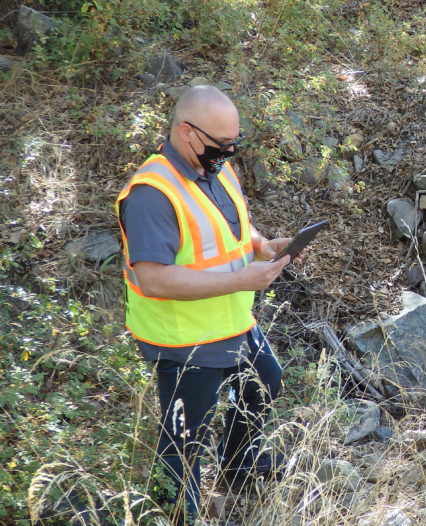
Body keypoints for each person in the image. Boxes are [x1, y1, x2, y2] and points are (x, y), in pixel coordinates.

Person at [114, 85, 294, 524]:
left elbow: (232, 227)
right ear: (187, 132)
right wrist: (239, 278)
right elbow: (154, 278)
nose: (229, 151)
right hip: (183, 338)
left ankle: (238, 469)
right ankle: (176, 513)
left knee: (265, 380)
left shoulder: (215, 167)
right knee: (184, 438)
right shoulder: (150, 195)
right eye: (221, 144)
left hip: (232, 320)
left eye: (235, 142)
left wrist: (263, 247)